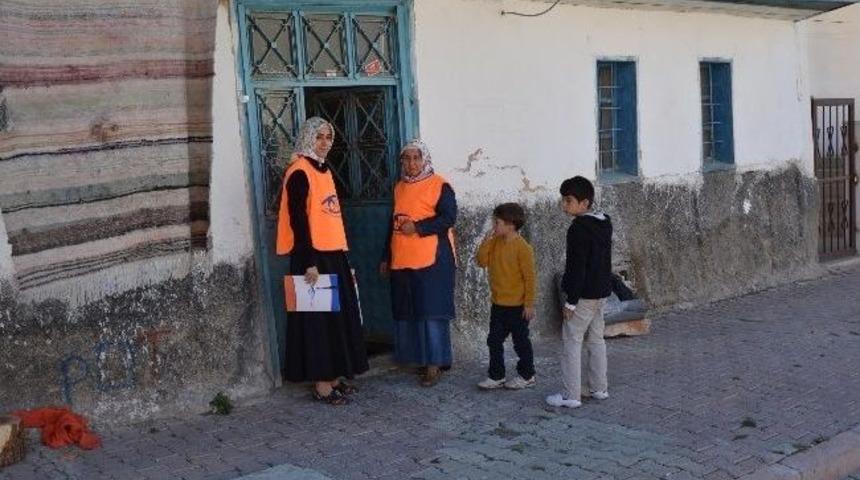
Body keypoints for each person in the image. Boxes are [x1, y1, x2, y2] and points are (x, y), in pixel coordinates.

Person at [276, 117, 368, 405]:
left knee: (336, 319)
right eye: (319, 137)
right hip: (312, 256)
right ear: (308, 138)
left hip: (332, 254)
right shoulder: (299, 172)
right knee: (317, 321)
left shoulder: (324, 169)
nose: (325, 142)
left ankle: (335, 376)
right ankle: (322, 384)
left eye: (329, 137)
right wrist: (308, 261)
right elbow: (299, 220)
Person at [380, 139, 457, 387]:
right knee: (411, 311)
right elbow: (392, 224)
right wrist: (386, 257)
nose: (412, 163)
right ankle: (421, 359)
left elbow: (449, 218)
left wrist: (418, 227)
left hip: (433, 259)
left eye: (416, 158)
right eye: (407, 158)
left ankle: (435, 364)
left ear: (425, 160)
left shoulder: (440, 185)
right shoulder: (399, 187)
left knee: (431, 311)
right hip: (403, 259)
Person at [546, 176, 613, 408]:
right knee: (596, 339)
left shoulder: (578, 229)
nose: (564, 205)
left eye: (569, 201)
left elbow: (577, 267)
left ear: (584, 203)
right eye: (563, 200)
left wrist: (570, 301)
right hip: (601, 291)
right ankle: (599, 388)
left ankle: (571, 395)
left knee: (571, 341)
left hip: (583, 295)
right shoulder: (604, 223)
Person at [475, 203, 537, 391]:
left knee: (521, 342)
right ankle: (497, 375)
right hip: (498, 304)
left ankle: (527, 375)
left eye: (497, 222)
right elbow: (481, 261)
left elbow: (530, 278)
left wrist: (529, 304)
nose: (494, 225)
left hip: (518, 306)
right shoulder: (494, 242)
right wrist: (486, 242)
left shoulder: (523, 248)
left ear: (510, 225)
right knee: (493, 340)